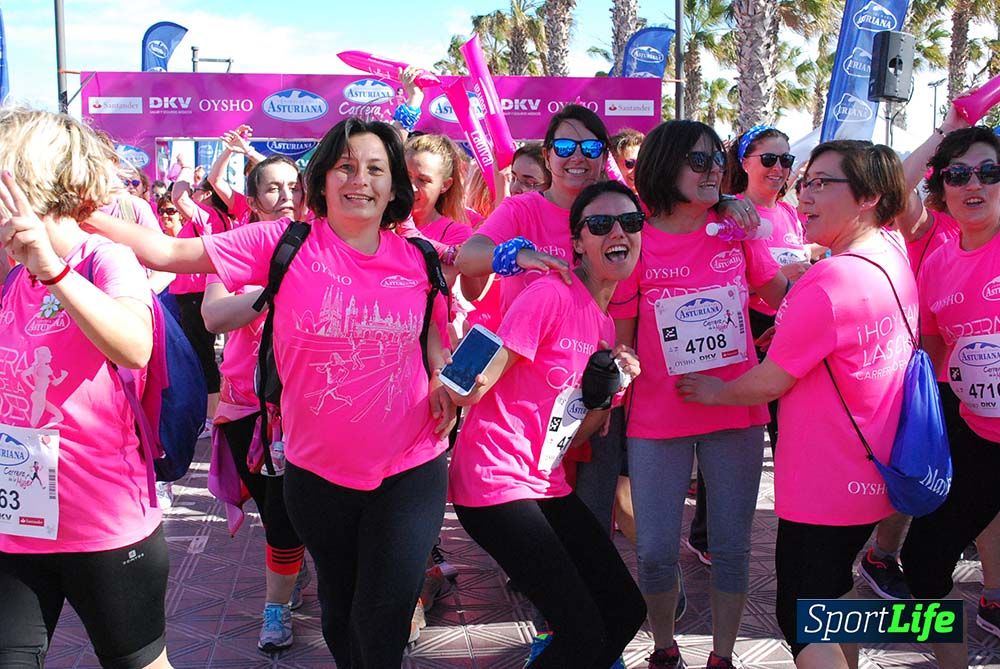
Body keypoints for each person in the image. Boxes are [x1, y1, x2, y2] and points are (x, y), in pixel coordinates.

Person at [84, 117, 457, 668]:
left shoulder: (419, 257)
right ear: (322, 181)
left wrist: (445, 376)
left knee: (384, 612)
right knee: (338, 601)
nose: (361, 179)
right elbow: (164, 253)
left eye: (376, 168)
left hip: (411, 466)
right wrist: (68, 209)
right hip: (316, 472)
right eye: (346, 166)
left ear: (394, 183)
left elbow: (435, 341)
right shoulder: (282, 242)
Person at [678, 139, 916, 669]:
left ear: (868, 197)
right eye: (804, 182)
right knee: (831, 597)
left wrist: (715, 391)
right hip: (874, 468)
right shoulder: (891, 252)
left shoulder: (830, 278)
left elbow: (768, 383)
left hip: (824, 481)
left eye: (821, 184)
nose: (803, 194)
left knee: (800, 613)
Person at [447, 180, 647, 667]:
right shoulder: (550, 295)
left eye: (629, 222)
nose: (617, 232)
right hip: (493, 482)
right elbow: (473, 385)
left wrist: (609, 390)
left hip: (544, 482)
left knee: (624, 610)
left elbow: (573, 435)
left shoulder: (601, 326)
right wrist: (451, 376)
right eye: (600, 224)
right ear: (577, 241)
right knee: (582, 630)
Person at [613, 120, 789, 669]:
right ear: (665, 166)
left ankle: (722, 657)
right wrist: (620, 365)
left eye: (717, 160)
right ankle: (663, 650)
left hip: (735, 409)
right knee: (655, 553)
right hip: (658, 417)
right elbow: (618, 335)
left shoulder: (735, 229)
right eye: (699, 161)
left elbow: (780, 296)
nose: (713, 170)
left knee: (733, 550)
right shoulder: (634, 235)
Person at [0, 108, 170, 668]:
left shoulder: (104, 259)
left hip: (103, 526)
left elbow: (134, 345)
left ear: (27, 183)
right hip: (16, 525)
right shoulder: (9, 274)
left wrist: (53, 269)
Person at [896, 126, 1000, 669]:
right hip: (981, 436)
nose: (973, 183)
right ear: (942, 187)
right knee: (923, 561)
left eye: (988, 171)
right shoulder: (936, 264)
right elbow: (939, 359)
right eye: (958, 174)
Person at [201, 155, 310, 653]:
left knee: (295, 516)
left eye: (294, 186)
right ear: (254, 196)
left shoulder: (321, 245)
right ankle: (286, 583)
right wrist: (274, 291)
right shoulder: (236, 248)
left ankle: (276, 606)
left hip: (312, 408)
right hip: (248, 408)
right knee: (275, 511)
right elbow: (213, 315)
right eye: (273, 188)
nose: (286, 196)